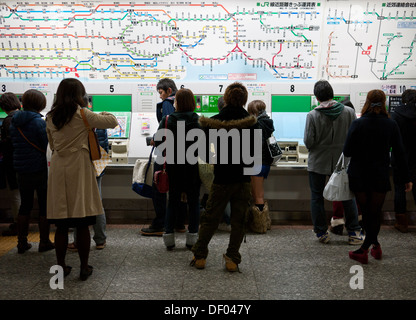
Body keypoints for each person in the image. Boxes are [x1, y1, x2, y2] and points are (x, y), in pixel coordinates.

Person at [46, 78, 117, 280]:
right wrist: (99, 113)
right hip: (79, 168)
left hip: (59, 169)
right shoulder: (83, 114)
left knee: (60, 224)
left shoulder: (50, 117)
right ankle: (84, 267)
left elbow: (51, 144)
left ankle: (61, 267)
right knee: (82, 220)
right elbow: (112, 121)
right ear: (80, 95)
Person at [190, 82, 259, 272]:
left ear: (226, 98)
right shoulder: (252, 123)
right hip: (243, 179)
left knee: (210, 217)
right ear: (244, 100)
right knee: (239, 220)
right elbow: (255, 155)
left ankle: (200, 256)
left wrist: (216, 159)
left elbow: (204, 153)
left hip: (221, 178)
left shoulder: (212, 123)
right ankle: (232, 259)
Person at [344, 89, 412, 264]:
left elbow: (347, 150)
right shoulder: (391, 125)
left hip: (359, 174)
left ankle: (365, 249)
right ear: (384, 103)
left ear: (366, 102)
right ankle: (375, 246)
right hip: (379, 174)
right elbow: (400, 152)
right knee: (375, 212)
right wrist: (406, 178)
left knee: (367, 213)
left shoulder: (358, 124)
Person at [304, 80, 364, 244]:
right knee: (347, 195)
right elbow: (355, 138)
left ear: (316, 97)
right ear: (332, 93)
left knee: (317, 196)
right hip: (343, 162)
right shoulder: (349, 112)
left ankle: (321, 233)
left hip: (318, 162)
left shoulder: (312, 115)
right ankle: (354, 233)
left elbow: (308, 141)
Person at [154, 88, 201, 250]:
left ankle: (169, 238)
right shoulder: (199, 121)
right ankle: (192, 238)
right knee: (194, 203)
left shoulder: (168, 120)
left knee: (172, 202)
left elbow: (159, 142)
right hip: (193, 167)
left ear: (177, 103)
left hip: (173, 167)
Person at [9, 89, 54, 253]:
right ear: (40, 104)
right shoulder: (39, 123)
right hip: (39, 169)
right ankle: (44, 242)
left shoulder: (14, 122)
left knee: (25, 205)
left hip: (21, 169)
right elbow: (46, 145)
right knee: (44, 206)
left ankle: (22, 242)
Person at [140, 78, 186, 236]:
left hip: (166, 154)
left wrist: (155, 139)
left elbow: (167, 126)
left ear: (168, 91)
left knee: (159, 187)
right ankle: (179, 223)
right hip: (181, 154)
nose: (160, 96)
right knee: (177, 189)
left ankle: (160, 223)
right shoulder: (183, 105)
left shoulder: (167, 103)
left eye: (161, 92)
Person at [68, 95, 109, 251]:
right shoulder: (96, 119)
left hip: (80, 167)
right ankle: (100, 240)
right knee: (97, 203)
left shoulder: (73, 121)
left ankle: (78, 241)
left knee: (80, 204)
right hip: (97, 166)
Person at [329, 98, 363, 235]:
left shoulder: (337, 123)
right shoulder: (358, 124)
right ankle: (358, 219)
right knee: (356, 192)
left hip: (340, 162)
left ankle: (337, 220)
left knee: (338, 190)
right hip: (356, 164)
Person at [391, 89, 416, 233]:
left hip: (399, 157)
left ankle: (401, 223)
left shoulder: (396, 115)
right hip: (415, 159)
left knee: (400, 190)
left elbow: (392, 138)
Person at [247, 100, 274, 232]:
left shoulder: (256, 124)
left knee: (257, 195)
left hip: (256, 162)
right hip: (266, 163)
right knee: (260, 192)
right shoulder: (268, 122)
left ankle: (260, 225)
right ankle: (265, 222)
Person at [0, 93, 21, 236]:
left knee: (15, 194)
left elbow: (8, 144)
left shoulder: (8, 121)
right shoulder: (27, 117)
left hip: (12, 162)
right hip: (29, 162)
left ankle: (19, 224)